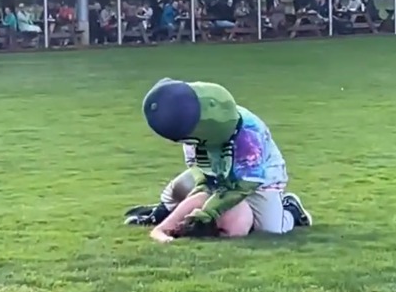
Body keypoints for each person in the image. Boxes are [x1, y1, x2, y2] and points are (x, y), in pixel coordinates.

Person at [125, 78, 312, 241]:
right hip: (216, 170)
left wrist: (208, 211)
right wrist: (202, 183)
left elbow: (246, 183)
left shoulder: (249, 134)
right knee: (179, 188)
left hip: (259, 180)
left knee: (271, 229)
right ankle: (161, 212)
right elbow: (195, 163)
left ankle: (291, 209)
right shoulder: (194, 126)